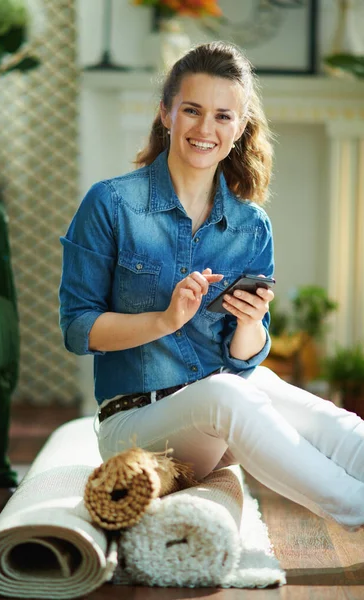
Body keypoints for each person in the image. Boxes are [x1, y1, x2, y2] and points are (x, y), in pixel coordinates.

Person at [59, 41, 364, 531]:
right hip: (137, 423)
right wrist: (165, 320)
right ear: (167, 114)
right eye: (192, 111)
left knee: (324, 418)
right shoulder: (111, 204)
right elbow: (78, 329)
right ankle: (358, 509)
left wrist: (248, 323)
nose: (206, 129)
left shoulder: (250, 225)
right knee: (229, 392)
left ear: (240, 127)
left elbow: (248, 355)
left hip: (221, 401)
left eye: (223, 116)